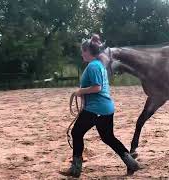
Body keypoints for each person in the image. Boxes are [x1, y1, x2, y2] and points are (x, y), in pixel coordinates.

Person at [61, 34, 139, 177]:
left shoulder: (93, 66)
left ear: (87, 51)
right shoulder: (98, 64)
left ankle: (75, 169)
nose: (81, 54)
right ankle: (131, 163)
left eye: (82, 51)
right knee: (108, 137)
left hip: (96, 109)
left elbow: (97, 87)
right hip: (103, 108)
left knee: (76, 133)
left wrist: (80, 91)